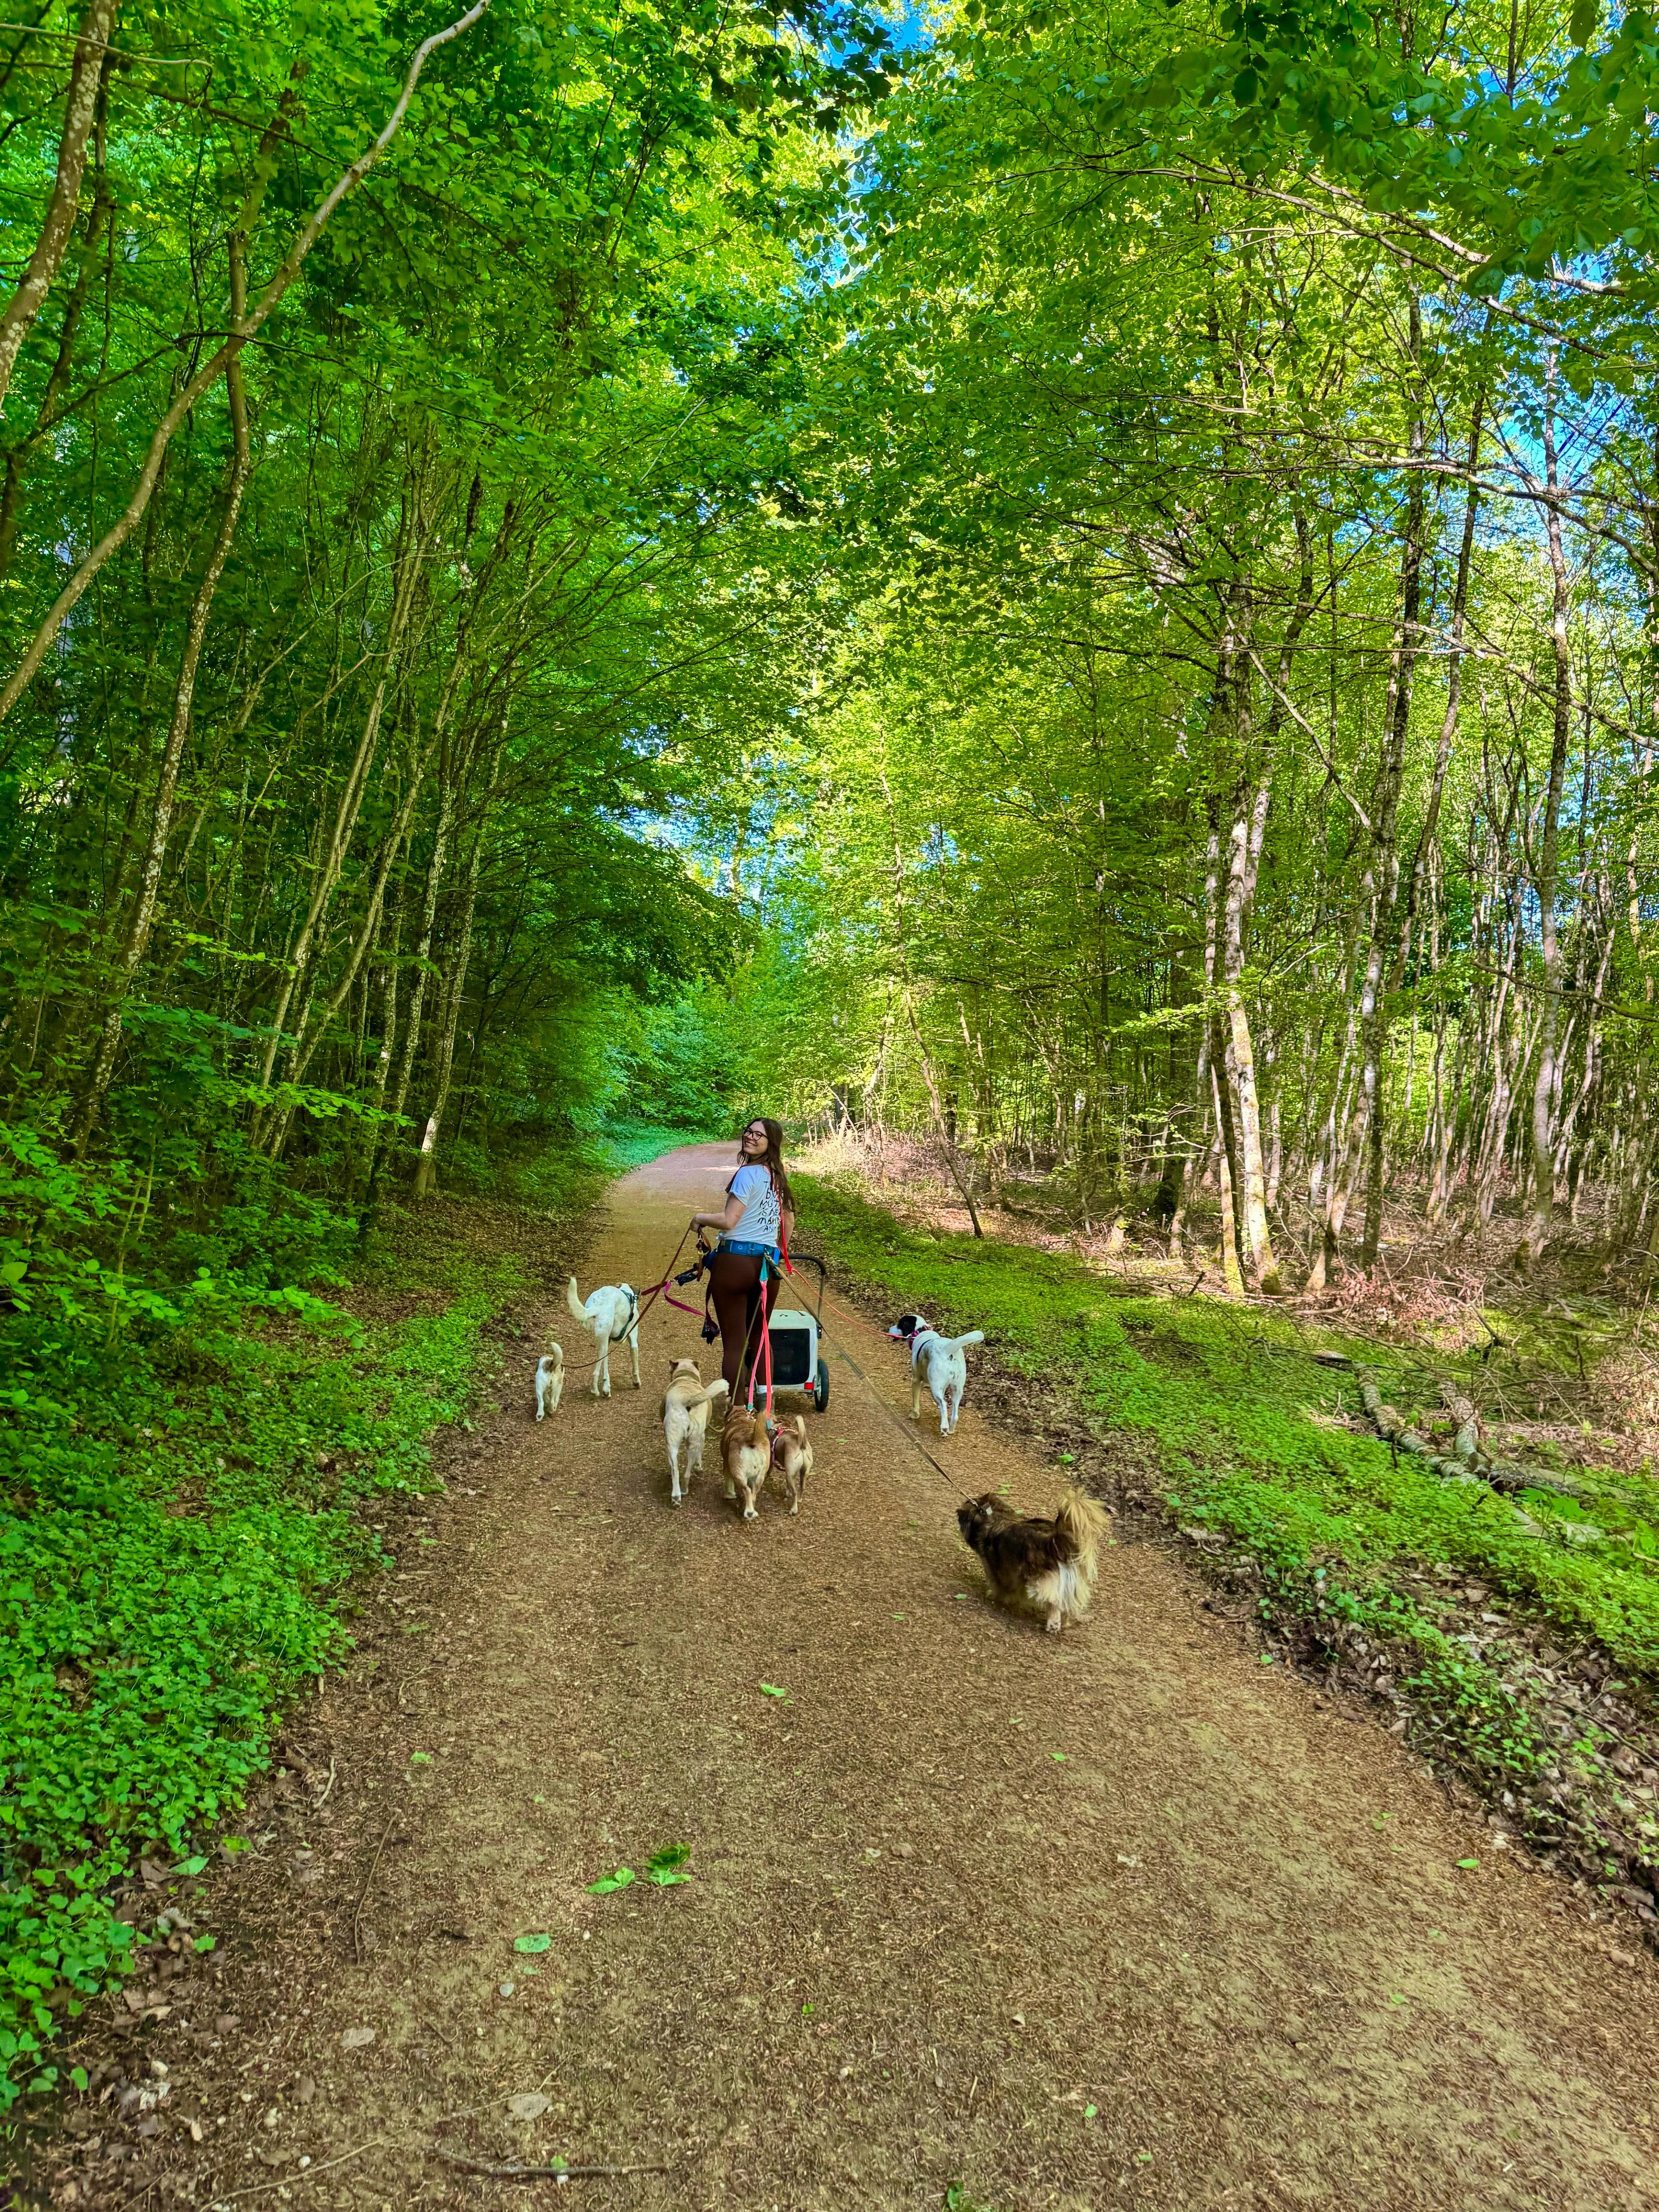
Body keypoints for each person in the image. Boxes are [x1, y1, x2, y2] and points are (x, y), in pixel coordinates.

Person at [691, 1117, 796, 1399]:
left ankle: (738, 1412)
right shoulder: (777, 1177)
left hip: (735, 1263)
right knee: (760, 1338)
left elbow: (729, 1220)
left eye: (758, 1135)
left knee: (736, 1344)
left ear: (770, 1143)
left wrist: (700, 1218)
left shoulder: (747, 1174)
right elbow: (787, 1219)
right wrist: (780, 1251)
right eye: (749, 1131)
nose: (750, 1137)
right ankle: (765, 1410)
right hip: (767, 1265)